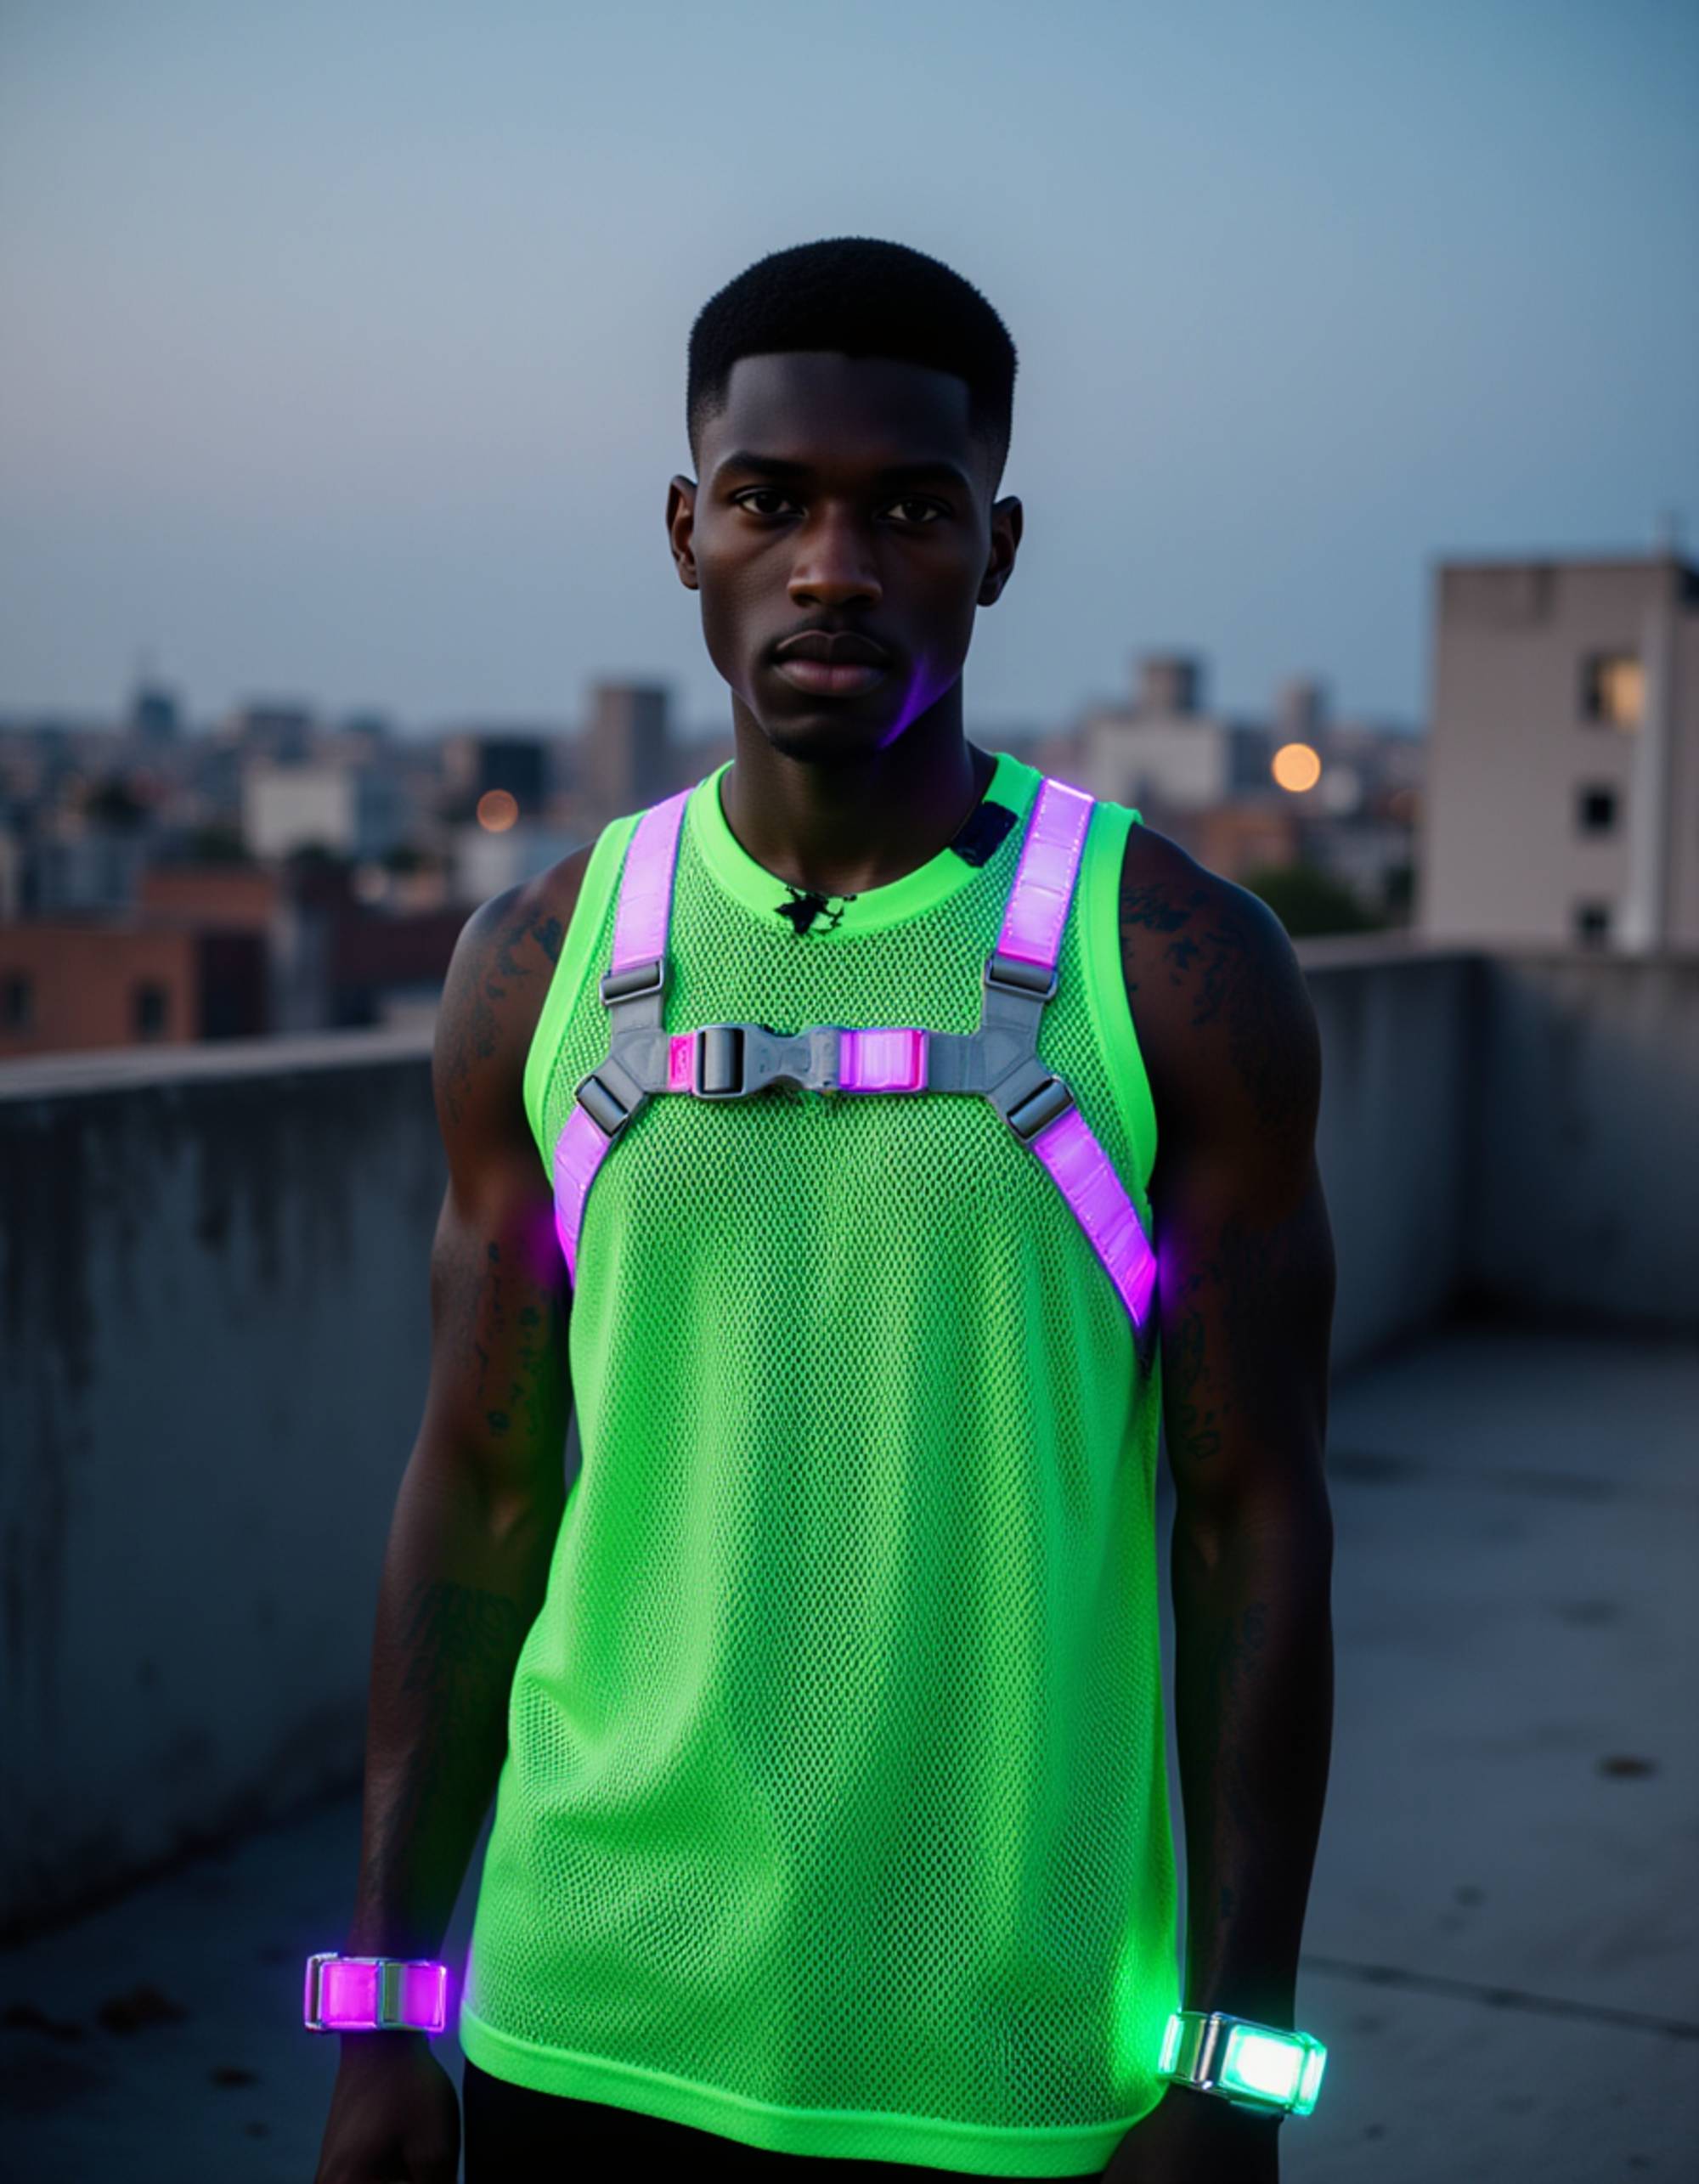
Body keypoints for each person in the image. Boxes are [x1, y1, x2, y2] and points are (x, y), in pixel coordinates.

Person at [312, 235, 1335, 2184]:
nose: (832, 565)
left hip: (1012, 2059)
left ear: (996, 548)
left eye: (909, 510)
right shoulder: (538, 960)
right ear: (685, 530)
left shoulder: (1174, 964)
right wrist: (380, 2008)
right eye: (770, 501)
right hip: (581, 2022)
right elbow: (480, 1480)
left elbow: (1254, 1525)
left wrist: (1229, 2068)